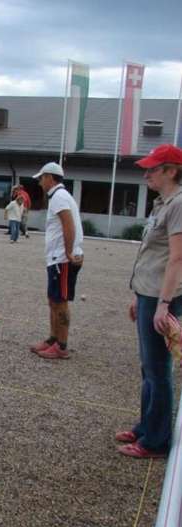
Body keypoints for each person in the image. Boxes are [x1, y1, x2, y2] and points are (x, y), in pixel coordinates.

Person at [116, 144, 182, 459]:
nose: (147, 174)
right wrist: (138, 295)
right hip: (149, 293)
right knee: (148, 367)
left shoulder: (178, 204)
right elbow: (152, 256)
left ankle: (156, 441)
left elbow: (177, 258)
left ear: (171, 171)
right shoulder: (162, 204)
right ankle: (146, 426)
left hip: (161, 297)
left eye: (153, 169)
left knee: (158, 370)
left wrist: (163, 304)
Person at [30, 162, 83, 359]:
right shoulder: (60, 196)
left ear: (50, 178)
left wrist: (68, 252)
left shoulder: (59, 197)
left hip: (62, 259)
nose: (39, 183)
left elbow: (68, 224)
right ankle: (52, 339)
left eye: (41, 178)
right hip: (57, 258)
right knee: (53, 300)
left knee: (60, 302)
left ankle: (61, 346)